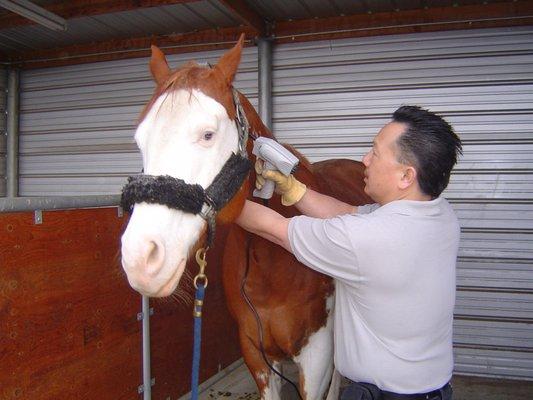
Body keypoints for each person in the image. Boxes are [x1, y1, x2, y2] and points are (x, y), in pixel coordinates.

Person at [235, 105, 462, 400]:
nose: (365, 160)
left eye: (375, 153)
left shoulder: (367, 239)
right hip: (432, 390)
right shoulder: (441, 215)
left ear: (406, 176)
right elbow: (349, 212)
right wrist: (292, 189)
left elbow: (274, 228)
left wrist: (214, 194)